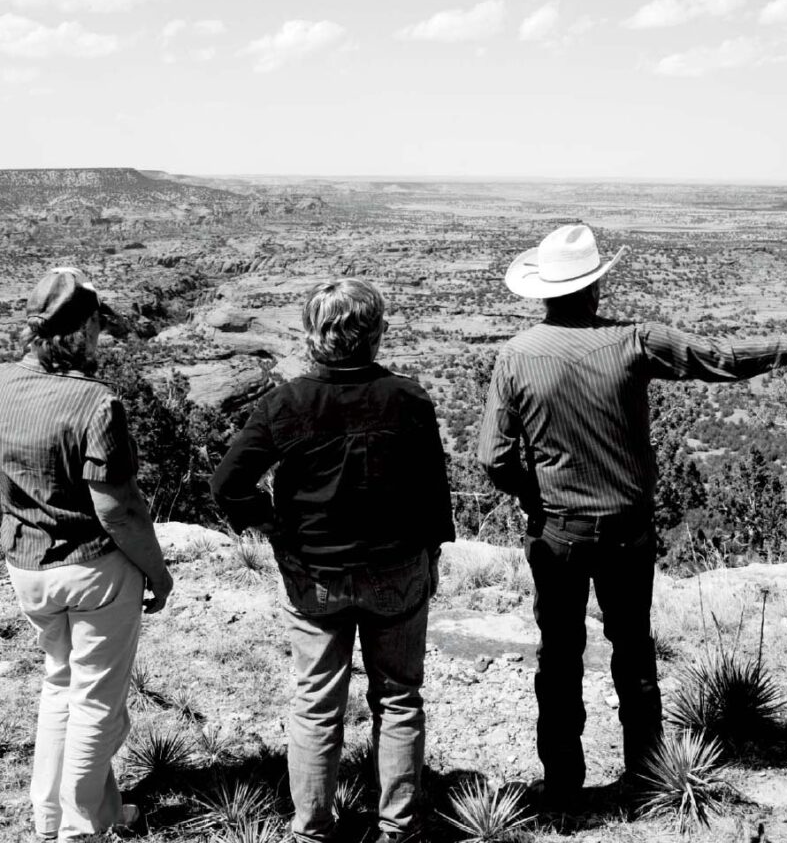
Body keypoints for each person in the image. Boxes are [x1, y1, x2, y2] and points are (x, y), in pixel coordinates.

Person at [477, 224, 787, 811]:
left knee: (559, 657)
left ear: (544, 292)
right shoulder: (634, 341)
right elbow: (723, 359)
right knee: (634, 652)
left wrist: (532, 497)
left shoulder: (516, 356)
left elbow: (493, 458)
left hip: (558, 532)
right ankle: (647, 777)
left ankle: (563, 787)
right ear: (594, 288)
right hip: (627, 531)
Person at [211, 277, 454, 843]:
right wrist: (432, 553)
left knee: (317, 703)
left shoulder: (286, 403)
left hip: (314, 572)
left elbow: (228, 483)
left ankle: (313, 829)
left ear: (312, 335)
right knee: (399, 699)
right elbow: (431, 489)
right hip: (396, 567)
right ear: (376, 333)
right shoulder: (408, 398)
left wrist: (270, 523)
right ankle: (399, 826)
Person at [0, 267, 173, 843]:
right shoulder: (97, 402)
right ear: (81, 330)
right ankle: (80, 826)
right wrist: (158, 572)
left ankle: (51, 816)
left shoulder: (1, 384)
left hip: (27, 568)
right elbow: (117, 510)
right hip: (93, 569)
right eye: (97, 324)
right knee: (97, 701)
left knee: (60, 684)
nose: (101, 334)